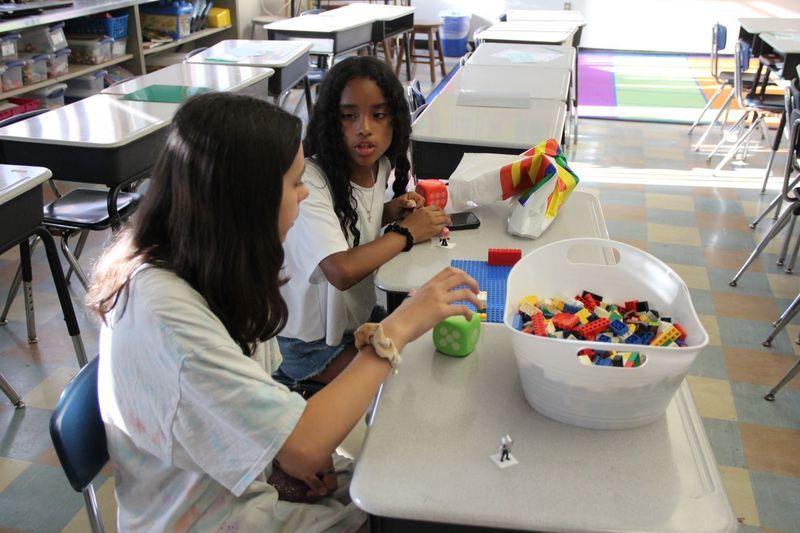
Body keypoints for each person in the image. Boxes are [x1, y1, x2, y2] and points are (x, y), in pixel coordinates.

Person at [86, 93, 480, 531]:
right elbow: (305, 446)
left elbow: (260, 414)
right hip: (211, 520)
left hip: (243, 485)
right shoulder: (167, 313)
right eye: (294, 183)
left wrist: (278, 461)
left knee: (405, 479)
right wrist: (400, 326)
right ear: (245, 201)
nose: (305, 191)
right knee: (411, 502)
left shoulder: (201, 263)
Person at [277, 56, 452, 387]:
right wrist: (405, 233)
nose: (364, 128)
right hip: (311, 348)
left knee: (426, 349)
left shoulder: (379, 166)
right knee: (406, 379)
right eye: (349, 116)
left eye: (379, 114)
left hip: (355, 323)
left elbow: (350, 220)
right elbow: (339, 270)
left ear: (395, 120)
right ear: (331, 121)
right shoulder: (311, 180)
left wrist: (387, 212)